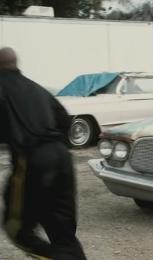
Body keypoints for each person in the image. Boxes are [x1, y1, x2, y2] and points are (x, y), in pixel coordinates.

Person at [0, 47, 86, 259]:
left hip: (32, 160)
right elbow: (65, 121)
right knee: (63, 234)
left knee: (17, 228)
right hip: (62, 158)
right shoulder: (37, 88)